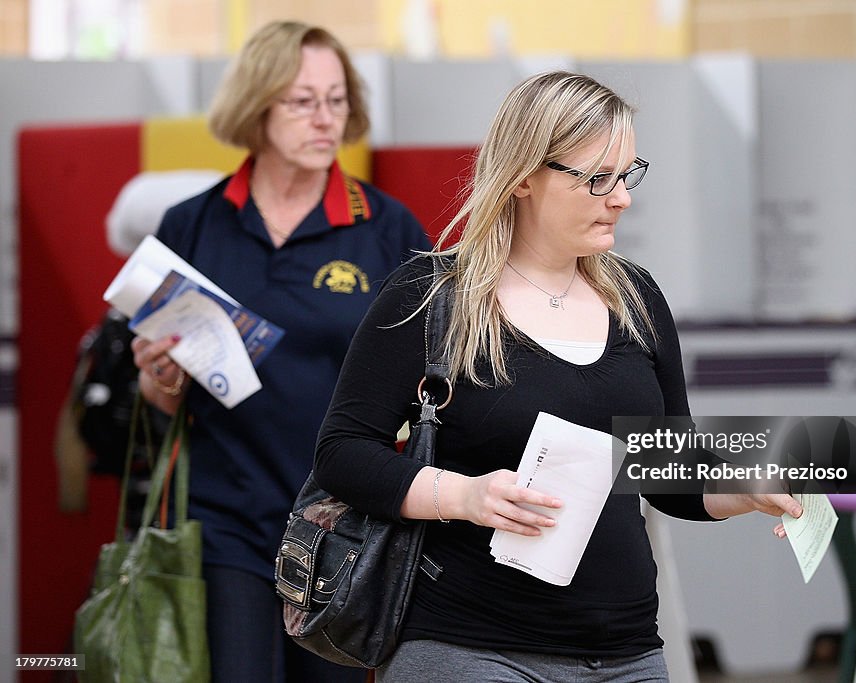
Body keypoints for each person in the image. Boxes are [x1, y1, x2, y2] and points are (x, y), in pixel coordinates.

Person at [313, 70, 803, 682]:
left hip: (628, 654)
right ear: (523, 177)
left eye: (628, 175)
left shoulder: (637, 300)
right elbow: (344, 453)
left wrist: (743, 492)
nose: (621, 197)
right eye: (598, 179)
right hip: (471, 648)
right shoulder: (433, 296)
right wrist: (463, 496)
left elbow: (666, 473)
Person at [130, 21, 431, 683]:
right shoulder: (194, 222)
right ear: (256, 107)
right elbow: (156, 401)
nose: (326, 119)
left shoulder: (387, 229)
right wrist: (157, 381)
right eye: (302, 101)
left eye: (338, 99)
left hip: (342, 522)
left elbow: (433, 380)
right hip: (225, 516)